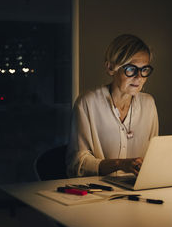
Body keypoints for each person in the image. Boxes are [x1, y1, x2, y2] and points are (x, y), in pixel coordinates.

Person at [66, 34, 159, 177]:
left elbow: (153, 157)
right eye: (130, 69)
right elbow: (77, 164)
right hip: (97, 192)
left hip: (137, 192)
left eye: (144, 69)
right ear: (110, 68)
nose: (139, 77)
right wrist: (120, 165)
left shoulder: (148, 104)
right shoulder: (87, 102)